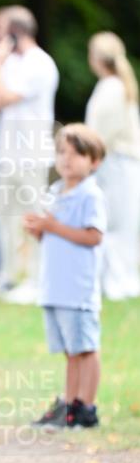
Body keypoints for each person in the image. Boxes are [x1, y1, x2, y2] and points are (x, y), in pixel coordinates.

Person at [25, 125, 106, 429]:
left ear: (94, 161)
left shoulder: (91, 195)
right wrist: (39, 230)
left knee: (85, 347)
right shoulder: (55, 191)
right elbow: (53, 236)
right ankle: (69, 403)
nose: (67, 160)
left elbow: (93, 236)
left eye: (76, 154)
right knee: (70, 351)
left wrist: (54, 227)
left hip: (78, 288)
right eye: (62, 153)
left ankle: (87, 405)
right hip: (55, 285)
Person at [0, 6, 59, 303]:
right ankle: (6, 276)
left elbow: (4, 96)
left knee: (34, 215)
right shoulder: (11, 63)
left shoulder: (40, 63)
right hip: (7, 151)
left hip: (33, 153)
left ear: (14, 32)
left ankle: (37, 279)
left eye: (0, 29)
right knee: (5, 217)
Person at [85, 31, 140, 300]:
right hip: (120, 164)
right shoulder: (117, 85)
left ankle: (118, 281)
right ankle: (116, 278)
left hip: (116, 164)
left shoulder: (111, 88)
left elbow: (100, 133)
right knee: (119, 223)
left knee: (116, 224)